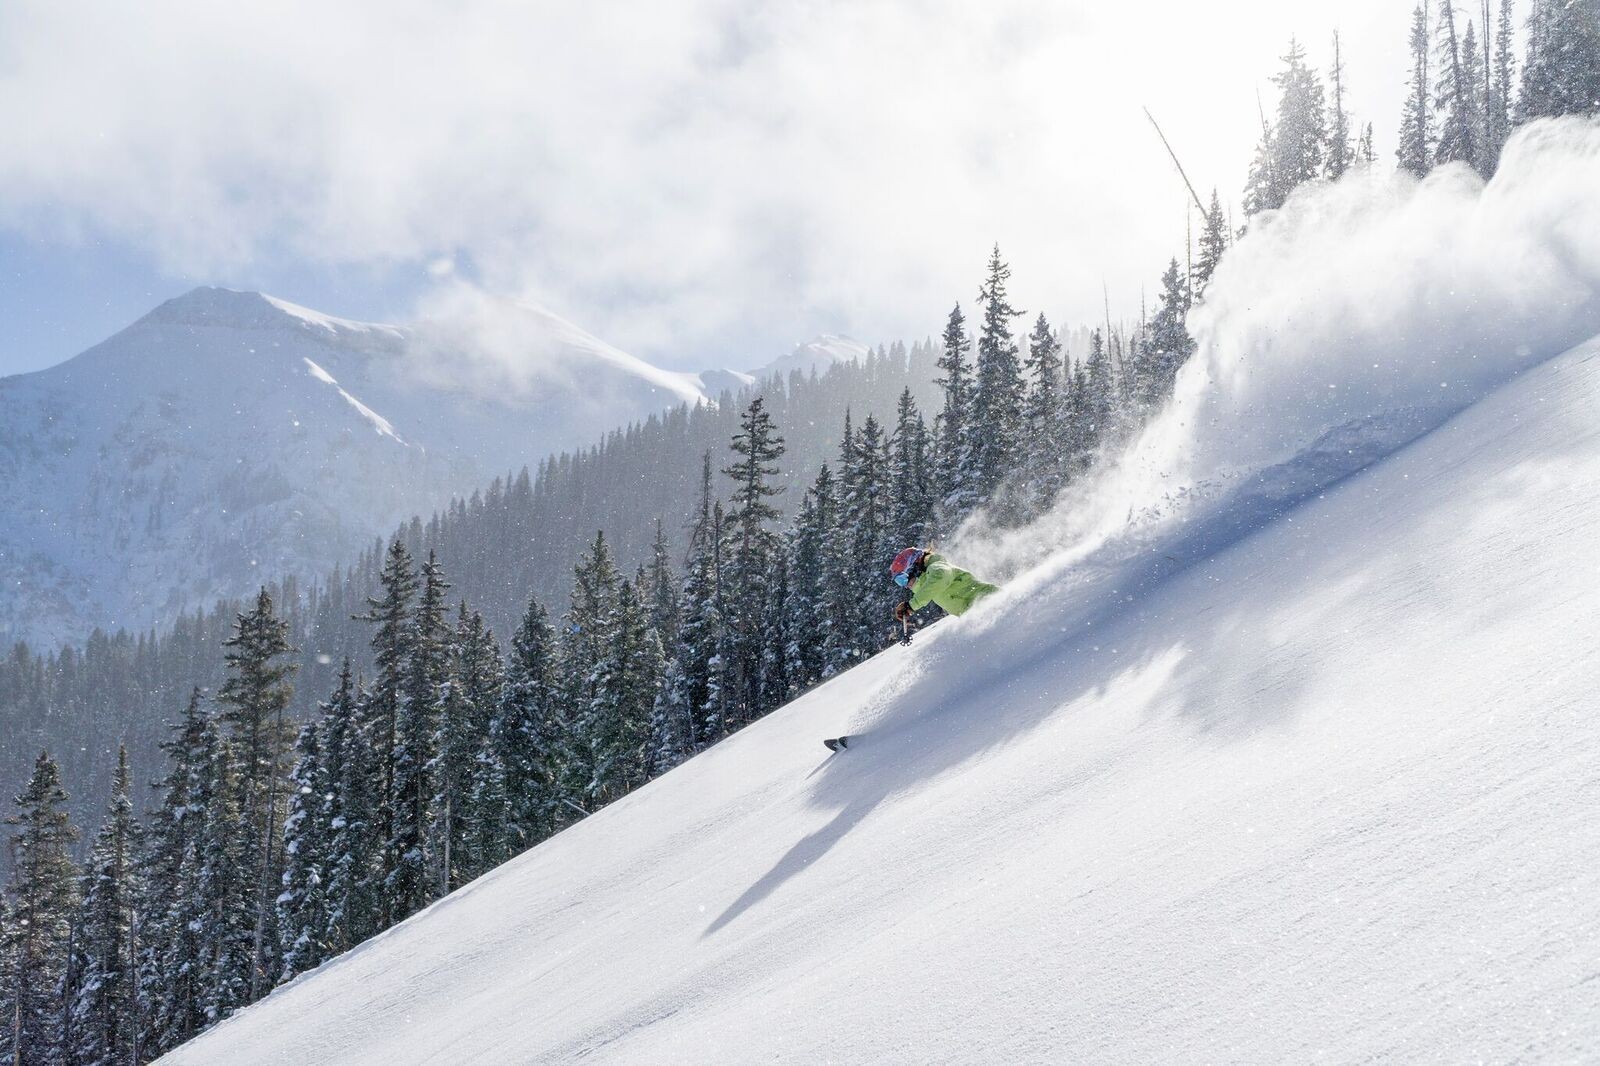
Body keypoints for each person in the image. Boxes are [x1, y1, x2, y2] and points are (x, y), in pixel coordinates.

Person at [890, 547, 998, 623]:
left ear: (914, 567)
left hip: (992, 601)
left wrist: (911, 605)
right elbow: (929, 588)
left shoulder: (936, 567)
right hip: (984, 614)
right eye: (899, 582)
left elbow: (939, 578)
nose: (905, 585)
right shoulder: (928, 585)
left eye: (902, 579)